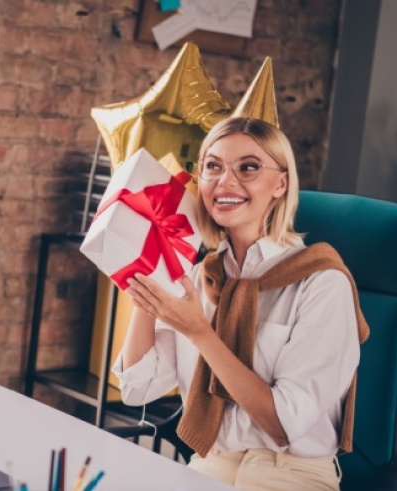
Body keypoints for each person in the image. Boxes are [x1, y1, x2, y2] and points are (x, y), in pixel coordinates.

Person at [111, 117, 367, 491]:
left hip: (292, 474)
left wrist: (200, 333)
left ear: (280, 183)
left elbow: (283, 424)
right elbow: (137, 389)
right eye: (213, 166)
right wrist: (151, 281)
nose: (225, 181)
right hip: (209, 465)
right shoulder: (200, 278)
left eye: (248, 167)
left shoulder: (322, 283)